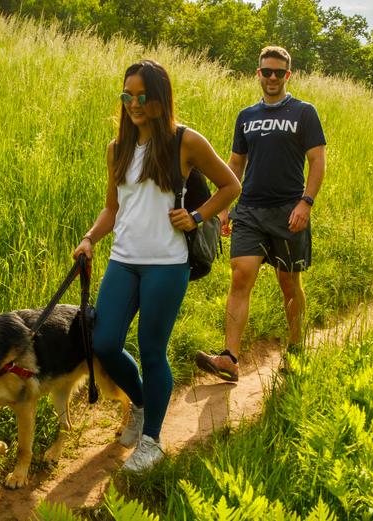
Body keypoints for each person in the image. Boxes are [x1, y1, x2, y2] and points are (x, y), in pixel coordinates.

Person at [73, 60, 240, 472]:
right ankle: (142, 405)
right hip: (123, 261)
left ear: (159, 98)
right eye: (126, 96)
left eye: (141, 96)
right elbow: (113, 208)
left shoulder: (185, 141)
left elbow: (231, 185)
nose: (132, 103)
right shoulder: (117, 148)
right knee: (105, 342)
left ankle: (152, 442)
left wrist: (198, 216)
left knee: (152, 350)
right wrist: (90, 238)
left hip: (167, 264)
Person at [195, 46, 327, 382]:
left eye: (278, 72)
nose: (271, 77)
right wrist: (225, 208)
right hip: (250, 209)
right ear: (258, 74)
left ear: (288, 75)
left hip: (288, 211)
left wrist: (306, 202)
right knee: (240, 276)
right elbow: (235, 164)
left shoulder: (304, 112)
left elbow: (317, 161)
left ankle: (297, 347)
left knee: (288, 282)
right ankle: (229, 358)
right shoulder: (246, 116)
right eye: (266, 71)